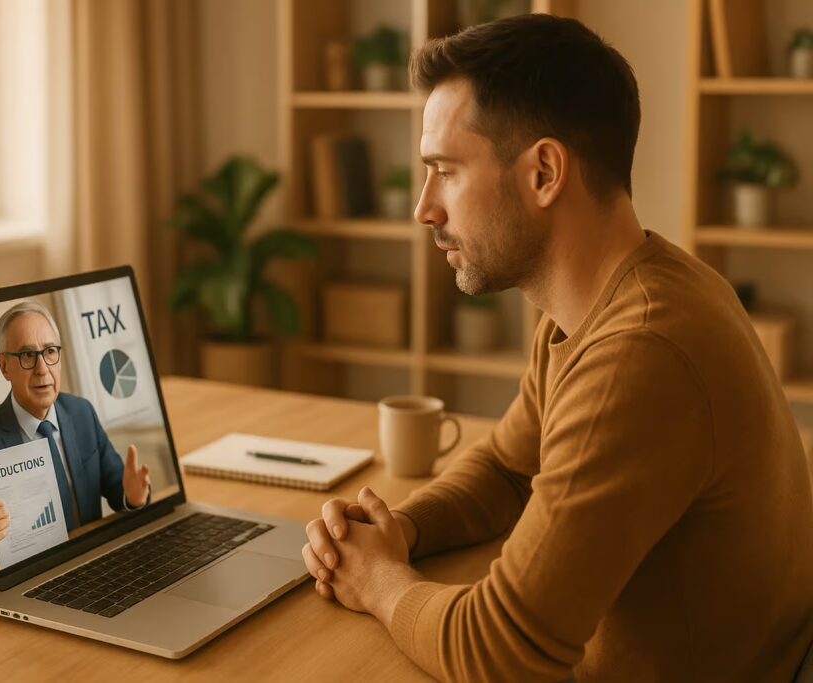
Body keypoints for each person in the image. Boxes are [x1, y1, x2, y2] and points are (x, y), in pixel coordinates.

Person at [302, 14, 813, 682]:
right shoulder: (613, 301)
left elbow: (502, 649)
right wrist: (403, 528)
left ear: (544, 172)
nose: (424, 207)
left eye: (445, 171)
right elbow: (511, 469)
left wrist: (379, 581)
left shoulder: (642, 352)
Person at [0, 301, 151, 569]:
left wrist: (134, 497)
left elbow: (120, 491)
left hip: (98, 564)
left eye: (49, 352)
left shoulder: (82, 413)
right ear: (4, 367)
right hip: (33, 577)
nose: (42, 368)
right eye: (27, 356)